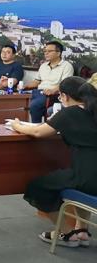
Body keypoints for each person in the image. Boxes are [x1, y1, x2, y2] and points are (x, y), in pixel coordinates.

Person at [12, 77, 97, 247]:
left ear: (65, 96)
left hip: (87, 176)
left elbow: (37, 132)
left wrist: (17, 125)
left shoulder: (70, 113)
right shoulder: (93, 110)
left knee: (38, 187)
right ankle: (82, 231)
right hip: (89, 175)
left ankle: (67, 234)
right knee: (73, 182)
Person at [25, 41, 75, 122]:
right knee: (21, 100)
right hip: (38, 92)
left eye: (49, 51)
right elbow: (37, 81)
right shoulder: (43, 66)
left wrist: (52, 90)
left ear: (58, 53)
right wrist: (25, 86)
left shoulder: (67, 66)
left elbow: (65, 84)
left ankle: (36, 127)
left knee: (35, 105)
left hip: (53, 95)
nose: (46, 53)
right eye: (45, 51)